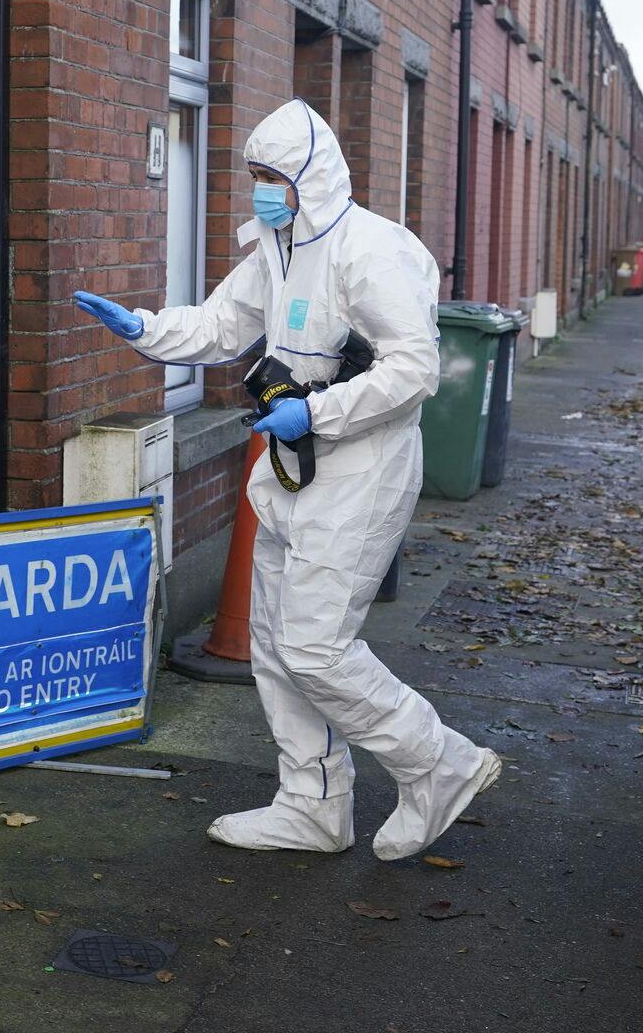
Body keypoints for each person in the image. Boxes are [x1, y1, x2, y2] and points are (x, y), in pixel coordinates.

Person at [73, 99, 499, 860]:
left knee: (315, 648)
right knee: (273, 643)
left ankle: (438, 761)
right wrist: (146, 329)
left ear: (315, 176)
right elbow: (221, 325)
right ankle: (313, 803)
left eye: (275, 176)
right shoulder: (276, 244)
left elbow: (414, 367)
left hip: (360, 470)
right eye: (256, 176)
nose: (262, 190)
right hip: (293, 468)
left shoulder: (373, 252)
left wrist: (320, 413)